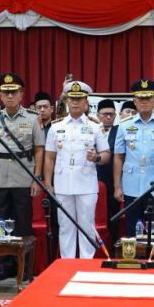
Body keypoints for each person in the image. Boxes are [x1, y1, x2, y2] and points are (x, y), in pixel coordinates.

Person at [0, 73, 44, 280]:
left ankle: (23, 266)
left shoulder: (32, 118)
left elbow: (39, 150)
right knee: (1, 223)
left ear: (21, 95)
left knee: (23, 222)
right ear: (0, 95)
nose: (10, 96)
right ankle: (5, 266)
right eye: (6, 93)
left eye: (14, 92)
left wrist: (36, 178)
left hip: (23, 174)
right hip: (0, 175)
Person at [43, 81, 110, 259]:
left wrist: (96, 158)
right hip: (62, 183)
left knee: (87, 225)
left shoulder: (95, 127)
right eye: (72, 98)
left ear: (86, 102)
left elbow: (106, 154)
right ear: (66, 101)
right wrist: (48, 183)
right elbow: (49, 157)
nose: (75, 102)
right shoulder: (56, 127)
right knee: (65, 226)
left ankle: (86, 262)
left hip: (86, 184)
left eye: (79, 99)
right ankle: (68, 262)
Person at [113, 79, 154, 237]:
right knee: (131, 228)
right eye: (140, 98)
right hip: (131, 183)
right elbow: (118, 157)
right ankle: (133, 253)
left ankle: (151, 253)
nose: (144, 102)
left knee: (153, 227)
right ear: (135, 101)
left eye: (148, 98)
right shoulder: (124, 125)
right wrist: (117, 186)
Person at [94, 98, 121, 243]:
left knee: (112, 216)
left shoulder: (120, 131)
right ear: (98, 115)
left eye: (111, 114)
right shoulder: (91, 129)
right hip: (91, 180)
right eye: (105, 114)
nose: (108, 117)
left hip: (112, 180)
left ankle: (112, 245)